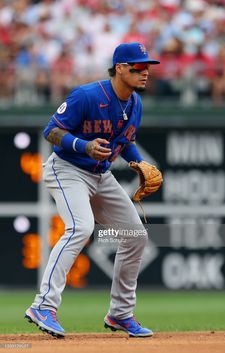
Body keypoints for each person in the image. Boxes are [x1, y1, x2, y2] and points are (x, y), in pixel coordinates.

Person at [24, 42, 160, 338]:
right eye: (138, 66)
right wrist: (84, 145)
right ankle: (43, 306)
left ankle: (120, 313)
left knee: (135, 236)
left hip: (101, 175)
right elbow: (52, 131)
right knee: (81, 228)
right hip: (67, 169)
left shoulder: (134, 103)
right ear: (120, 68)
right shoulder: (87, 95)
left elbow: (125, 141)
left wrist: (139, 164)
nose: (145, 71)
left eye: (148, 66)